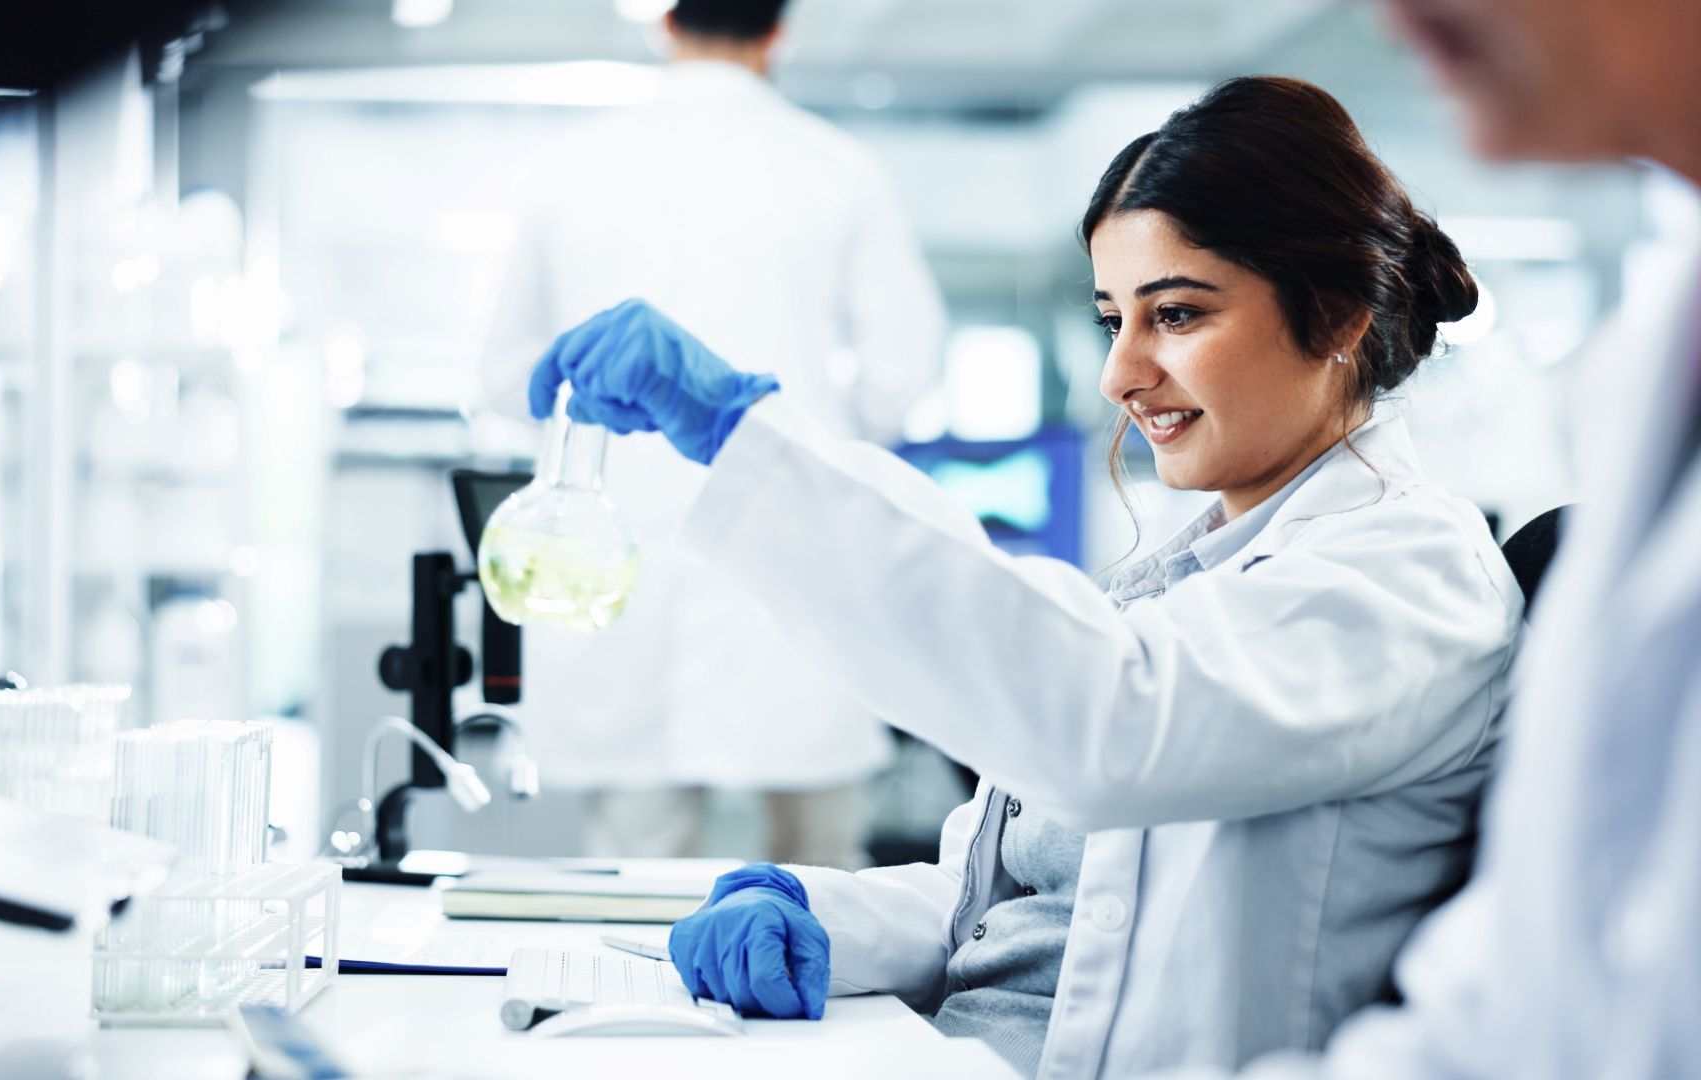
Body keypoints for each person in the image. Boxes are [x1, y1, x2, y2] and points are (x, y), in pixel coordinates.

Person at [526, 75, 1522, 1078]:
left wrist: (748, 441)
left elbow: (1108, 727)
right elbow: (1026, 908)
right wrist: (819, 912)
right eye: (1111, 320)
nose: (1121, 373)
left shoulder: (1411, 578)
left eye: (1175, 315)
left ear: (1340, 314)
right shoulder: (1191, 576)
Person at [1146, 2, 1701, 1077]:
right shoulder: (1653, 355)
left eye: (1178, 314)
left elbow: (1106, 721)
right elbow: (1533, 1001)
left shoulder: (1410, 555)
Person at [474, 0, 945, 868]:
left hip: (618, 559)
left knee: (637, 873)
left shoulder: (571, 169)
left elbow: (508, 380)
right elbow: (903, 373)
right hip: (795, 538)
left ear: (664, 25)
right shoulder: (838, 168)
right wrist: (820, 426)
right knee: (823, 883)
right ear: (778, 36)